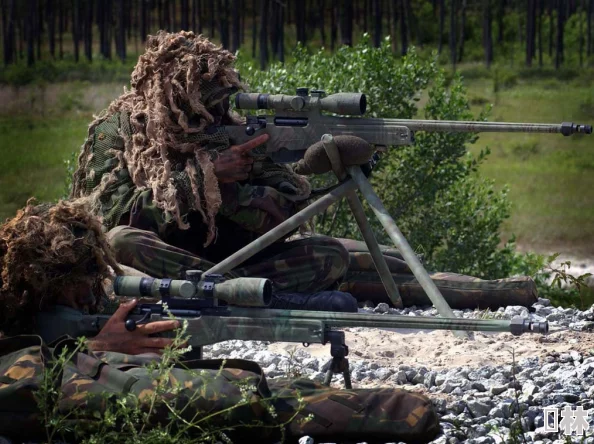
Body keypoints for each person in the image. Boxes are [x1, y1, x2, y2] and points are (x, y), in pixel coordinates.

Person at [70, 30, 537, 312]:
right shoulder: (122, 131)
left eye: (220, 103)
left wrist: (295, 173)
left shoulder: (232, 127)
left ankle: (504, 291)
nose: (214, 118)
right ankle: (244, 295)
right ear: (170, 97)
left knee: (348, 254)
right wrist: (210, 180)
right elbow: (115, 217)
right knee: (119, 245)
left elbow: (278, 217)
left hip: (241, 259)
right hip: (162, 266)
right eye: (202, 106)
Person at [0, 199, 440, 443]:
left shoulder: (104, 289)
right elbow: (37, 370)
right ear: (38, 286)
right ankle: (391, 412)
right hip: (85, 383)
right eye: (77, 289)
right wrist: (99, 347)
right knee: (228, 397)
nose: (88, 294)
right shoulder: (21, 319)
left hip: (225, 269)